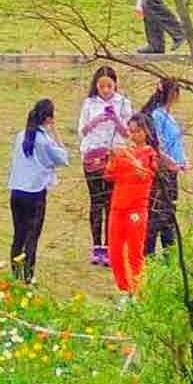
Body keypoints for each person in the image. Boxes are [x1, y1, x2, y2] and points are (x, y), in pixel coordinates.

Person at [6, 97, 68, 284]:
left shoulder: (20, 136)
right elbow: (63, 158)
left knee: (19, 233)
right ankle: (28, 276)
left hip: (16, 190)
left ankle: (16, 273)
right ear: (48, 118)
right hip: (34, 193)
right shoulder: (44, 141)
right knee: (32, 236)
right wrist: (55, 131)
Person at [76, 65, 130, 266]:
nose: (106, 90)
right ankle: (96, 246)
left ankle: (110, 246)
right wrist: (97, 119)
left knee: (111, 202)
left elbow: (128, 133)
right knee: (96, 201)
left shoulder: (123, 103)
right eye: (102, 86)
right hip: (93, 154)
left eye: (109, 86)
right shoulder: (89, 103)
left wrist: (115, 118)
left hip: (114, 155)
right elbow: (82, 130)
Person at [104, 113, 159, 295]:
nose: (133, 135)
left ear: (147, 132)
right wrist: (113, 157)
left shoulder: (150, 153)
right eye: (131, 131)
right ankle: (124, 289)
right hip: (117, 206)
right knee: (114, 252)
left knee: (134, 251)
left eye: (138, 131)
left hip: (136, 208)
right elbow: (110, 175)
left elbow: (146, 174)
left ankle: (136, 290)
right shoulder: (124, 152)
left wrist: (132, 158)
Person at [140, 81, 188, 257]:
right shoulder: (157, 115)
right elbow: (156, 144)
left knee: (169, 214)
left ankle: (170, 253)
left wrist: (182, 161)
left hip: (172, 169)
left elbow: (175, 143)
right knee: (157, 213)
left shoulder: (169, 115)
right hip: (162, 169)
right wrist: (169, 162)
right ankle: (149, 253)